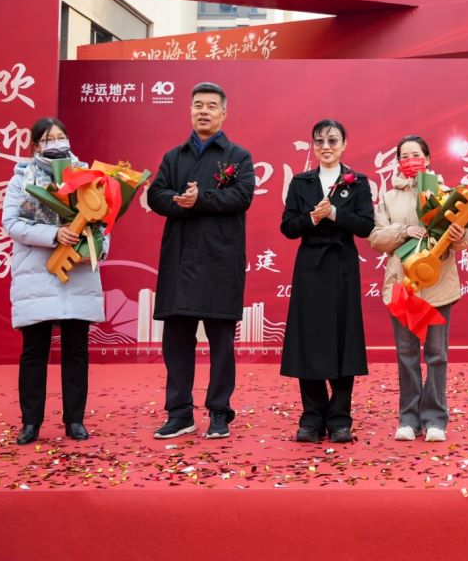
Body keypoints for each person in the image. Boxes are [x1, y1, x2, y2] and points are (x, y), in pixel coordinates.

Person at [148, 82, 255, 440]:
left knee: (221, 344)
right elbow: (156, 194)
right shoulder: (173, 157)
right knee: (177, 342)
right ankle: (179, 413)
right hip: (180, 260)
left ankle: (219, 412)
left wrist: (202, 199)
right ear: (190, 111)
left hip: (219, 261)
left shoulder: (238, 156)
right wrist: (180, 200)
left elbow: (242, 196)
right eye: (198, 105)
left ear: (224, 113)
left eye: (211, 106)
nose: (204, 111)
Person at [3, 117, 107, 445]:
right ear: (36, 145)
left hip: (78, 273)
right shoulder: (21, 179)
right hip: (37, 273)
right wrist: (53, 234)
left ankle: (74, 420)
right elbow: (11, 223)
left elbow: (103, 221)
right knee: (35, 351)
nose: (56, 143)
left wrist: (97, 247)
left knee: (76, 350)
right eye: (49, 139)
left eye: (61, 137)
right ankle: (30, 423)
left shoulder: (87, 177)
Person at [368, 135, 468, 443]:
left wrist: (459, 234)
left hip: (438, 285)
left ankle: (436, 418)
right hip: (404, 286)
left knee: (437, 354)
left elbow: (465, 241)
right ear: (398, 162)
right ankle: (409, 418)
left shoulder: (446, 193)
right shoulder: (388, 197)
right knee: (407, 354)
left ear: (428, 159)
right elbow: (376, 238)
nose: (410, 161)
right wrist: (404, 231)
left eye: (416, 155)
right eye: (404, 156)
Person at [281, 119, 375, 443]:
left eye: (333, 140)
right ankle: (312, 417)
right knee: (308, 340)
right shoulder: (301, 182)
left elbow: (366, 226)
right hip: (309, 267)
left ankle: (339, 418)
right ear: (313, 146)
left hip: (342, 266)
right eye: (319, 141)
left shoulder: (357, 182)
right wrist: (312, 217)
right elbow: (288, 227)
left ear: (344, 144)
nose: (326, 147)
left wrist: (334, 214)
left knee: (343, 340)